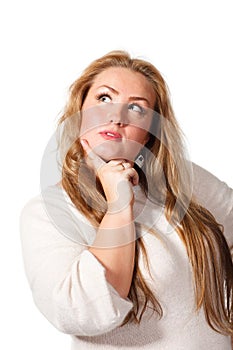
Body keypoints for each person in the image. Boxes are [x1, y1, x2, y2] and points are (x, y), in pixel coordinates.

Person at [20, 50, 233, 349]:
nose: (116, 117)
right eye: (104, 98)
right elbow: (83, 312)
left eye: (136, 108)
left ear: (148, 134)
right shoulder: (49, 211)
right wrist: (120, 204)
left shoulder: (181, 182)